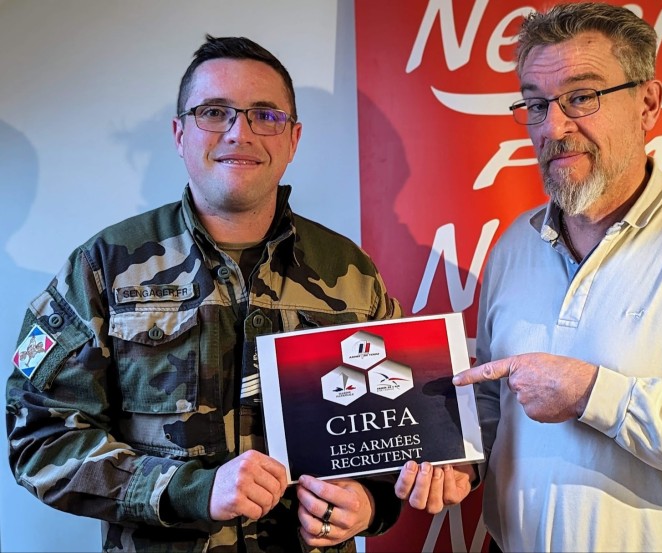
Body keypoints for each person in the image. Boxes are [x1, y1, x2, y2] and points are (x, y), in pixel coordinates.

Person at [395, 2, 662, 552]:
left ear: (648, 104)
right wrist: (465, 460)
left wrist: (595, 393)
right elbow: (494, 402)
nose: (554, 127)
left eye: (582, 97)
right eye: (537, 104)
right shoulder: (513, 247)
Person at [6, 35, 403, 553]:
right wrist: (188, 491)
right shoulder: (103, 266)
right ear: (180, 133)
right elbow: (40, 438)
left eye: (266, 115)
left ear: (293, 139)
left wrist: (369, 504)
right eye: (214, 112)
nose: (240, 132)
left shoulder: (351, 273)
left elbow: (400, 431)